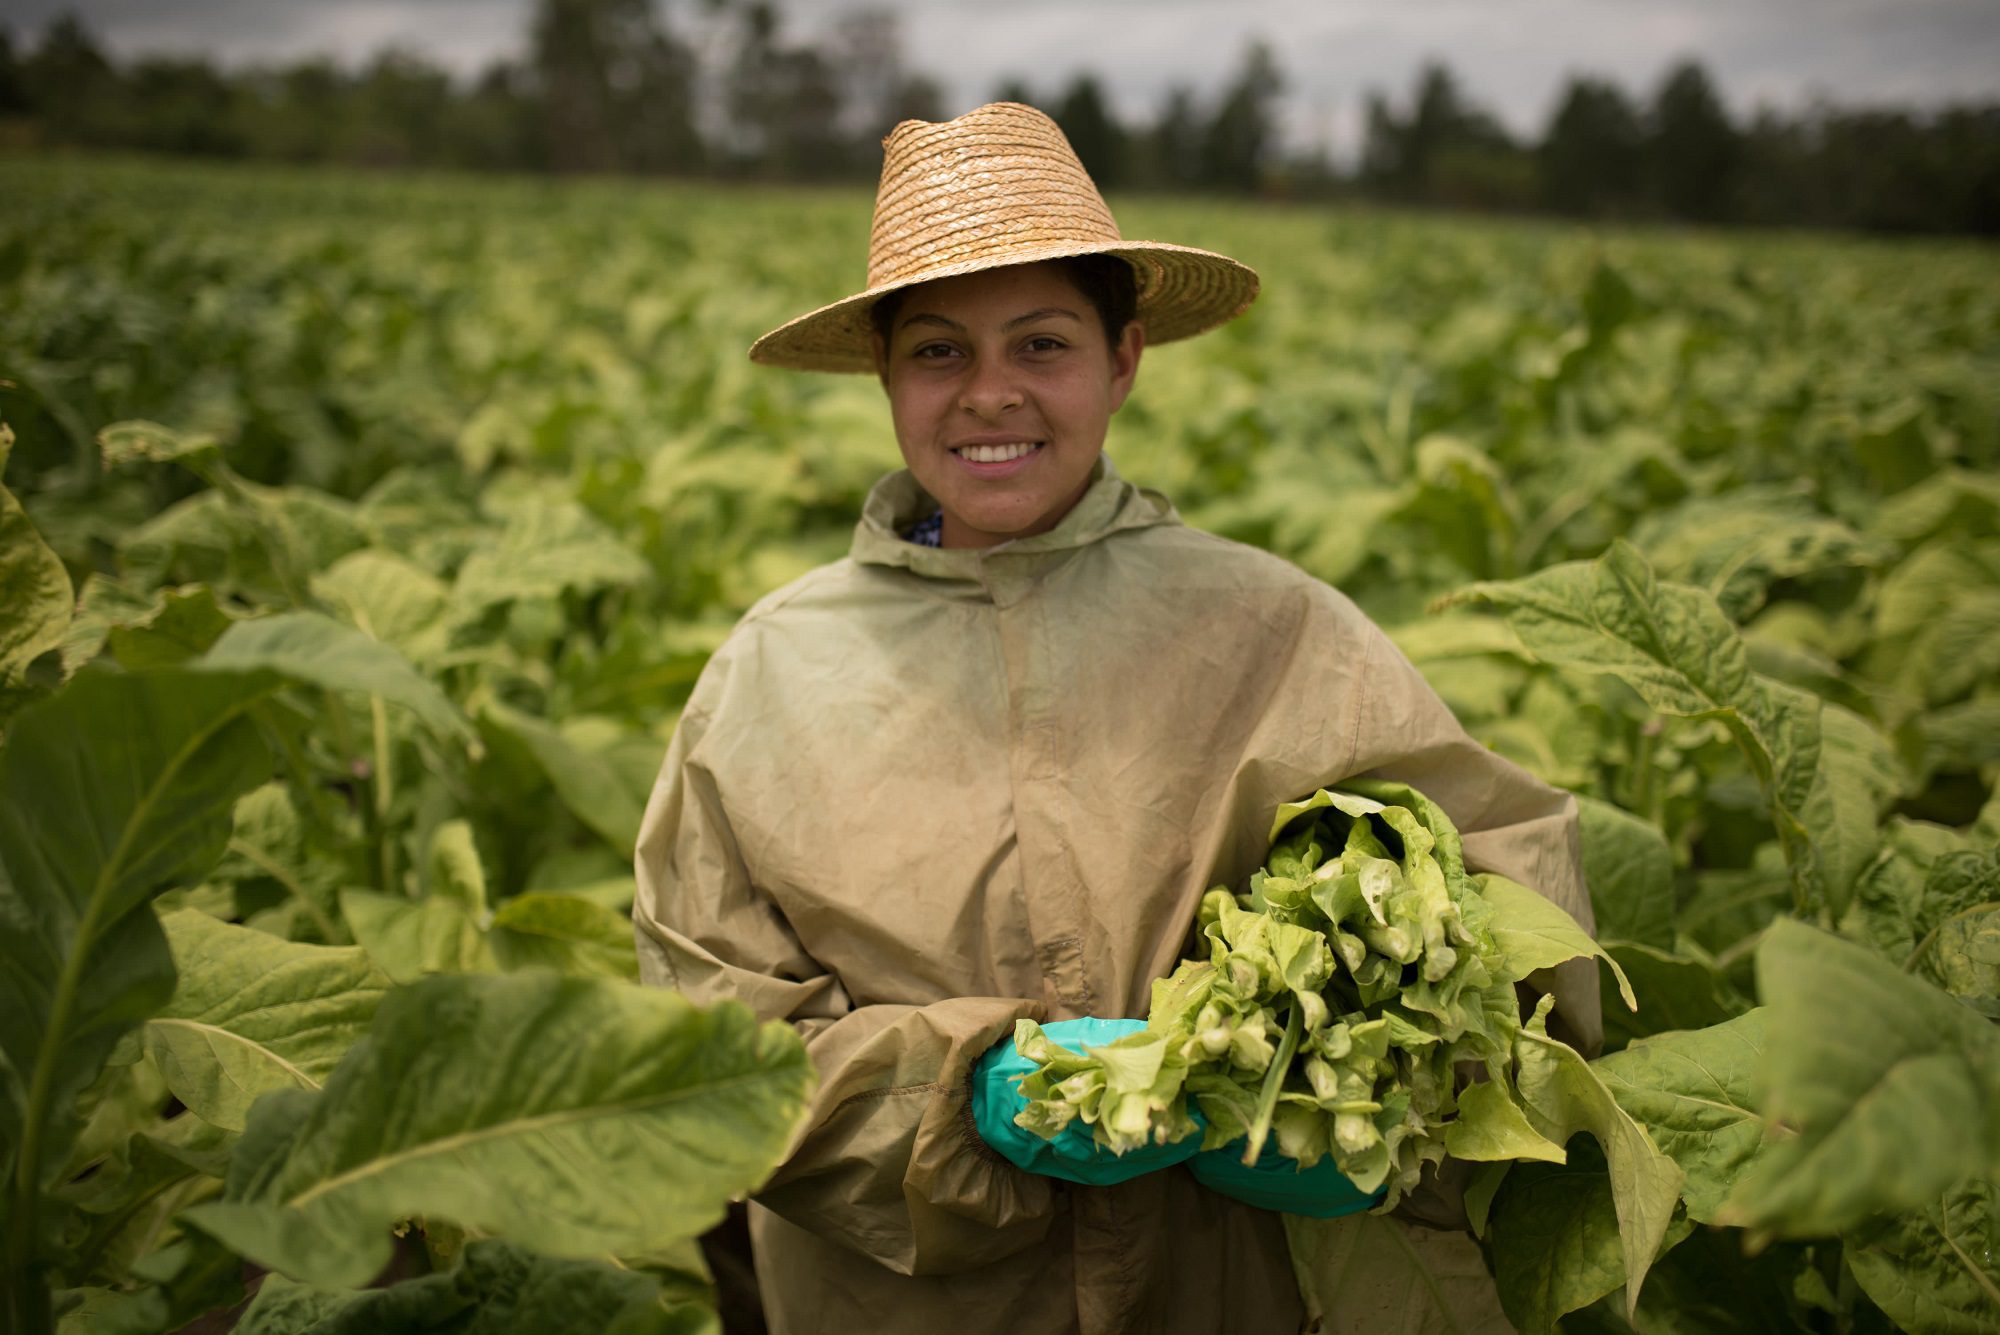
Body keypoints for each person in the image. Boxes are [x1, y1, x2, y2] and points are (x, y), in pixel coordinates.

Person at [633, 102, 1598, 1335]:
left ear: (1122, 358)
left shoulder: (1275, 625)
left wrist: (1367, 1094)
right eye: (937, 353)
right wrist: (958, 1100)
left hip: (1228, 1292)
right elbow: (705, 1025)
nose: (989, 397)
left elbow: (1517, 905)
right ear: (883, 372)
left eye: (1040, 346)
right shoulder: (772, 670)